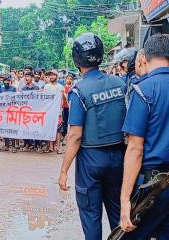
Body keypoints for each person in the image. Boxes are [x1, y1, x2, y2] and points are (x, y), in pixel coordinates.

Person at [58, 33, 126, 240]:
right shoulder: (120, 84)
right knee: (118, 214)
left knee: (91, 214)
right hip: (120, 158)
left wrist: (63, 171)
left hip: (91, 160)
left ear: (76, 59)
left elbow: (75, 135)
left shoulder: (78, 90)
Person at [120, 34, 169, 240]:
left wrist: (124, 199)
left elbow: (135, 149)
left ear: (143, 58)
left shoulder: (144, 89)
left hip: (153, 186)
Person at [44, 69, 65, 154]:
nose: (52, 76)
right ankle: (50, 147)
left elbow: (63, 100)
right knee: (49, 128)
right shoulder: (46, 87)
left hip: (57, 111)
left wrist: (60, 109)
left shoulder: (60, 87)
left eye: (53, 75)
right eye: (50, 75)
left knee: (58, 130)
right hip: (48, 111)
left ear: (57, 76)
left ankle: (58, 147)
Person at [21, 72, 39, 152]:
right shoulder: (23, 89)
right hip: (26, 112)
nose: (26, 78)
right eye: (25, 76)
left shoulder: (37, 88)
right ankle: (27, 145)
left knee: (36, 128)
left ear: (32, 78)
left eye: (28, 76)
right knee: (26, 128)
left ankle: (38, 145)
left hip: (35, 112)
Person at [0, 75, 18, 153]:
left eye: (8, 80)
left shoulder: (13, 89)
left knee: (12, 129)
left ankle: (13, 146)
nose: (7, 82)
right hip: (4, 111)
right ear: (3, 81)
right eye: (5, 80)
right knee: (5, 129)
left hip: (12, 111)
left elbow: (16, 99)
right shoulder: (1, 88)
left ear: (10, 81)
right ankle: (7, 145)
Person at [62, 74, 73, 141]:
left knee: (70, 122)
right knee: (64, 121)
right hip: (64, 107)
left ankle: (69, 135)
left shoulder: (73, 88)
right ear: (65, 79)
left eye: (70, 79)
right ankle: (64, 135)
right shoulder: (62, 88)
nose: (69, 80)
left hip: (71, 108)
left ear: (72, 80)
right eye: (68, 78)